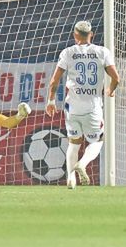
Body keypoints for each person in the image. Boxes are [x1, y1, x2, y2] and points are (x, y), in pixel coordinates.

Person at [46, 21, 120, 189]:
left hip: (72, 107)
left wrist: (51, 100)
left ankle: (71, 180)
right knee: (98, 140)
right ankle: (83, 163)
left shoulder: (68, 52)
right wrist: (110, 89)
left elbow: (54, 81)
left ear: (75, 35)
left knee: (74, 142)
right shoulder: (102, 52)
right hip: (92, 107)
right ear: (91, 34)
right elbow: (116, 78)